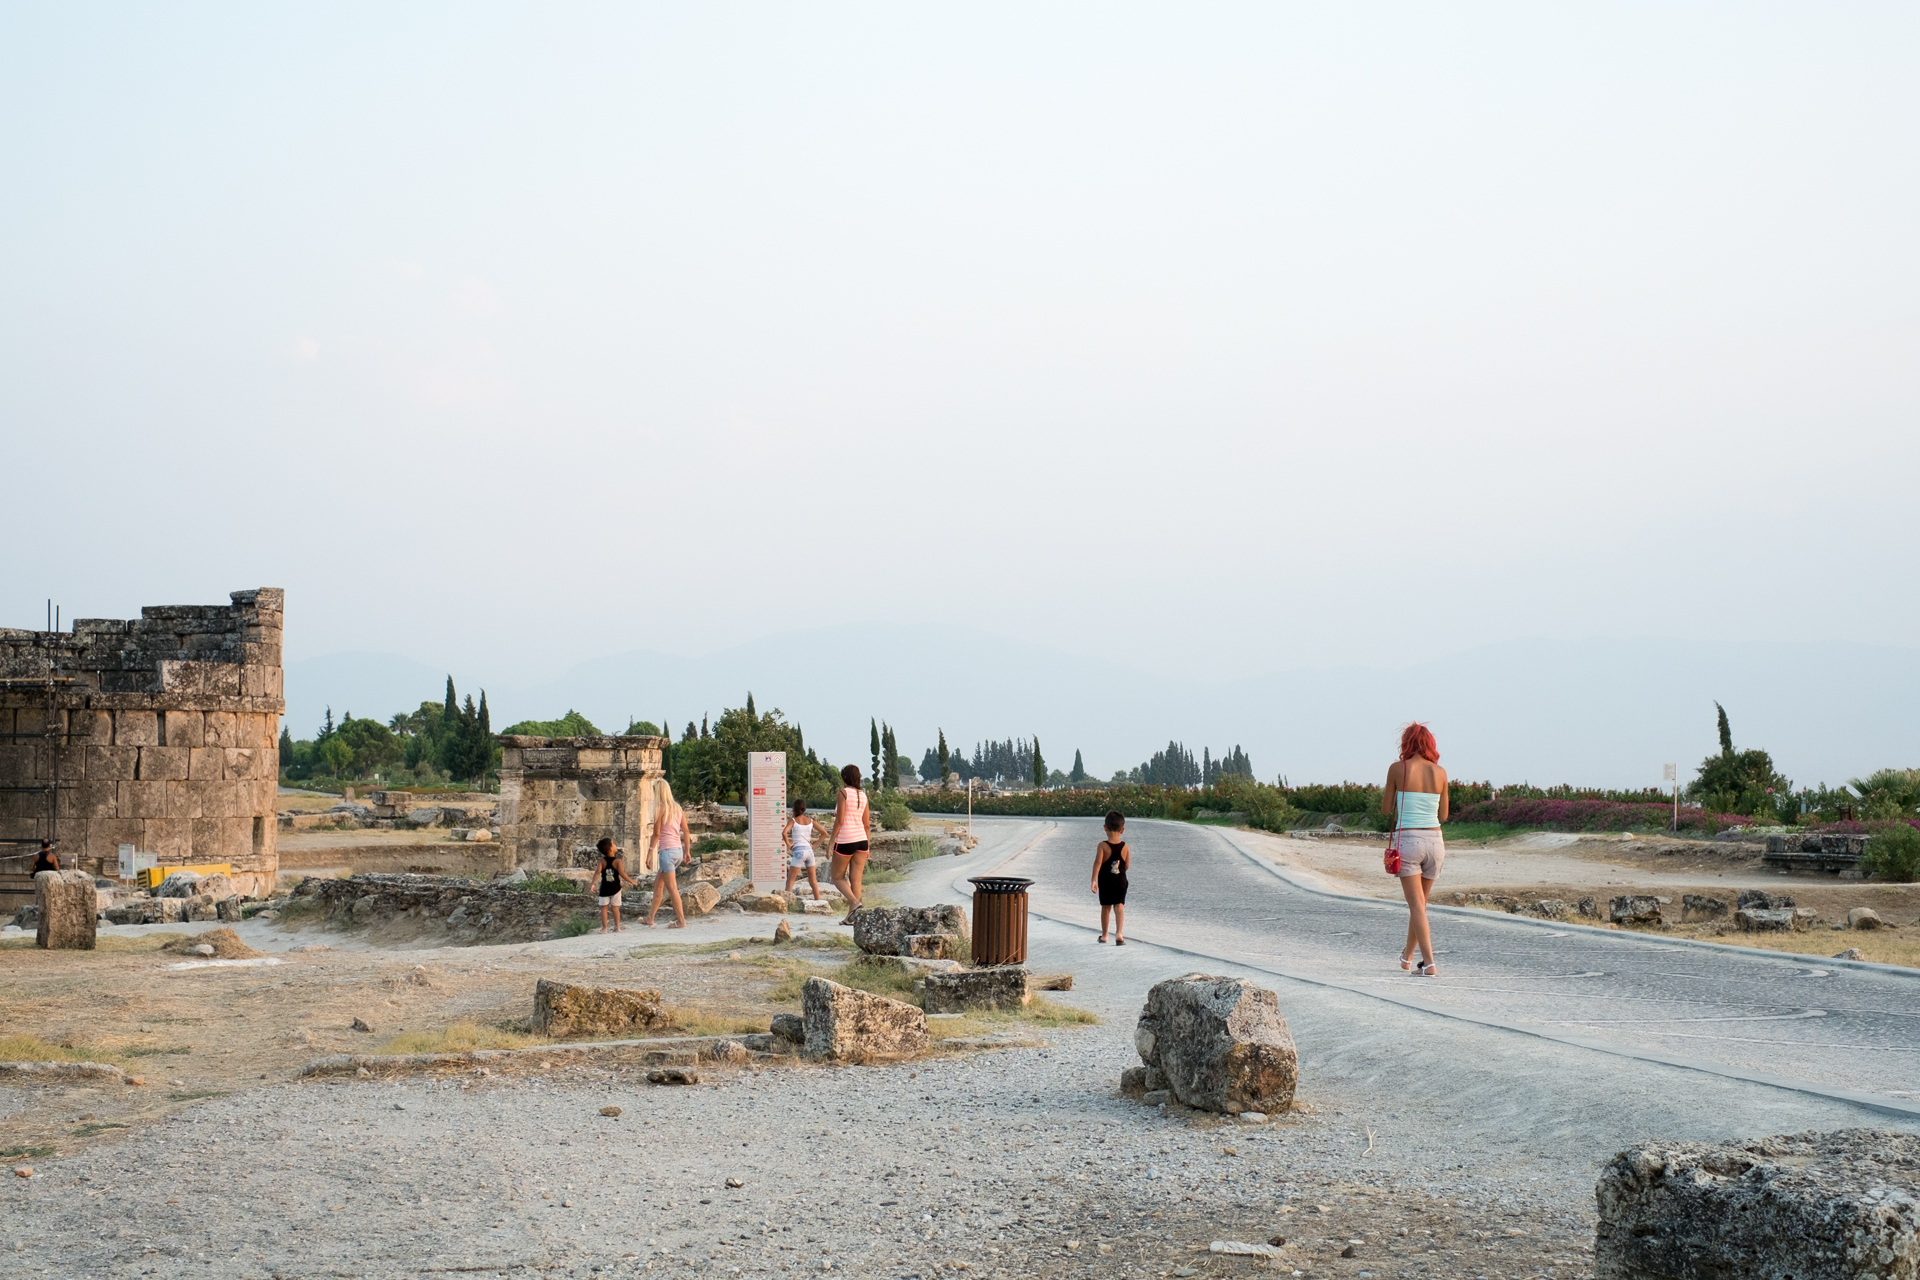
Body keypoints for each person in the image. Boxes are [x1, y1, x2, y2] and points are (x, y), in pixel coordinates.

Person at [1383, 722, 1449, 977]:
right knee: (1419, 905)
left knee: (1416, 906)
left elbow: (1386, 808)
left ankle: (1429, 963)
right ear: (1430, 744)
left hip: (1408, 840)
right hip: (1435, 842)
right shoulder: (1440, 772)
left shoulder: (1398, 769)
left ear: (1406, 743)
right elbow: (1443, 814)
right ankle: (1407, 957)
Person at [644, 778, 690, 928]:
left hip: (666, 853)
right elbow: (686, 831)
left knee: (672, 888)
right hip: (677, 851)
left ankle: (681, 921)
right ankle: (650, 918)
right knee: (658, 885)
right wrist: (687, 851)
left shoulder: (660, 808)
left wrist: (649, 853)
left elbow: (656, 834)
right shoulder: (677, 808)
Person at [830, 764, 871, 925]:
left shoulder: (843, 794)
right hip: (861, 840)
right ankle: (851, 918)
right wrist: (868, 846)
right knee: (856, 879)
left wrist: (830, 843)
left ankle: (855, 903)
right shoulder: (864, 796)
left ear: (844, 777)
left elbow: (839, 821)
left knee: (837, 877)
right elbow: (866, 824)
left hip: (846, 839)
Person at [1090, 810, 1129, 945]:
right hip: (1121, 881)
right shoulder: (1125, 847)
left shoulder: (1102, 846)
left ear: (1105, 827)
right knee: (1119, 907)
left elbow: (1098, 863)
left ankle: (1105, 935)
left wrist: (1093, 880)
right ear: (1122, 830)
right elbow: (1127, 865)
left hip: (1106, 882)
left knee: (1106, 908)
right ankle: (1119, 933)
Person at [783, 798, 824, 902]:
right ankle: (818, 901)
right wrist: (814, 845)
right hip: (809, 851)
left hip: (798, 851)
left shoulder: (793, 821)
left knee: (790, 881)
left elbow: (784, 833)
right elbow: (824, 834)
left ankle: (787, 903)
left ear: (794, 809)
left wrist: (789, 844)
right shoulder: (810, 821)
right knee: (813, 881)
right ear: (804, 809)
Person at [595, 836, 639, 934]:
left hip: (604, 888)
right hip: (615, 888)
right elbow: (622, 874)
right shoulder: (618, 861)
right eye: (613, 844)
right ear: (611, 848)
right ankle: (617, 927)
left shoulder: (601, 861)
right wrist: (632, 881)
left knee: (603, 908)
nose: (615, 845)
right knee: (615, 908)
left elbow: (597, 872)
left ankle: (604, 928)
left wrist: (592, 884)